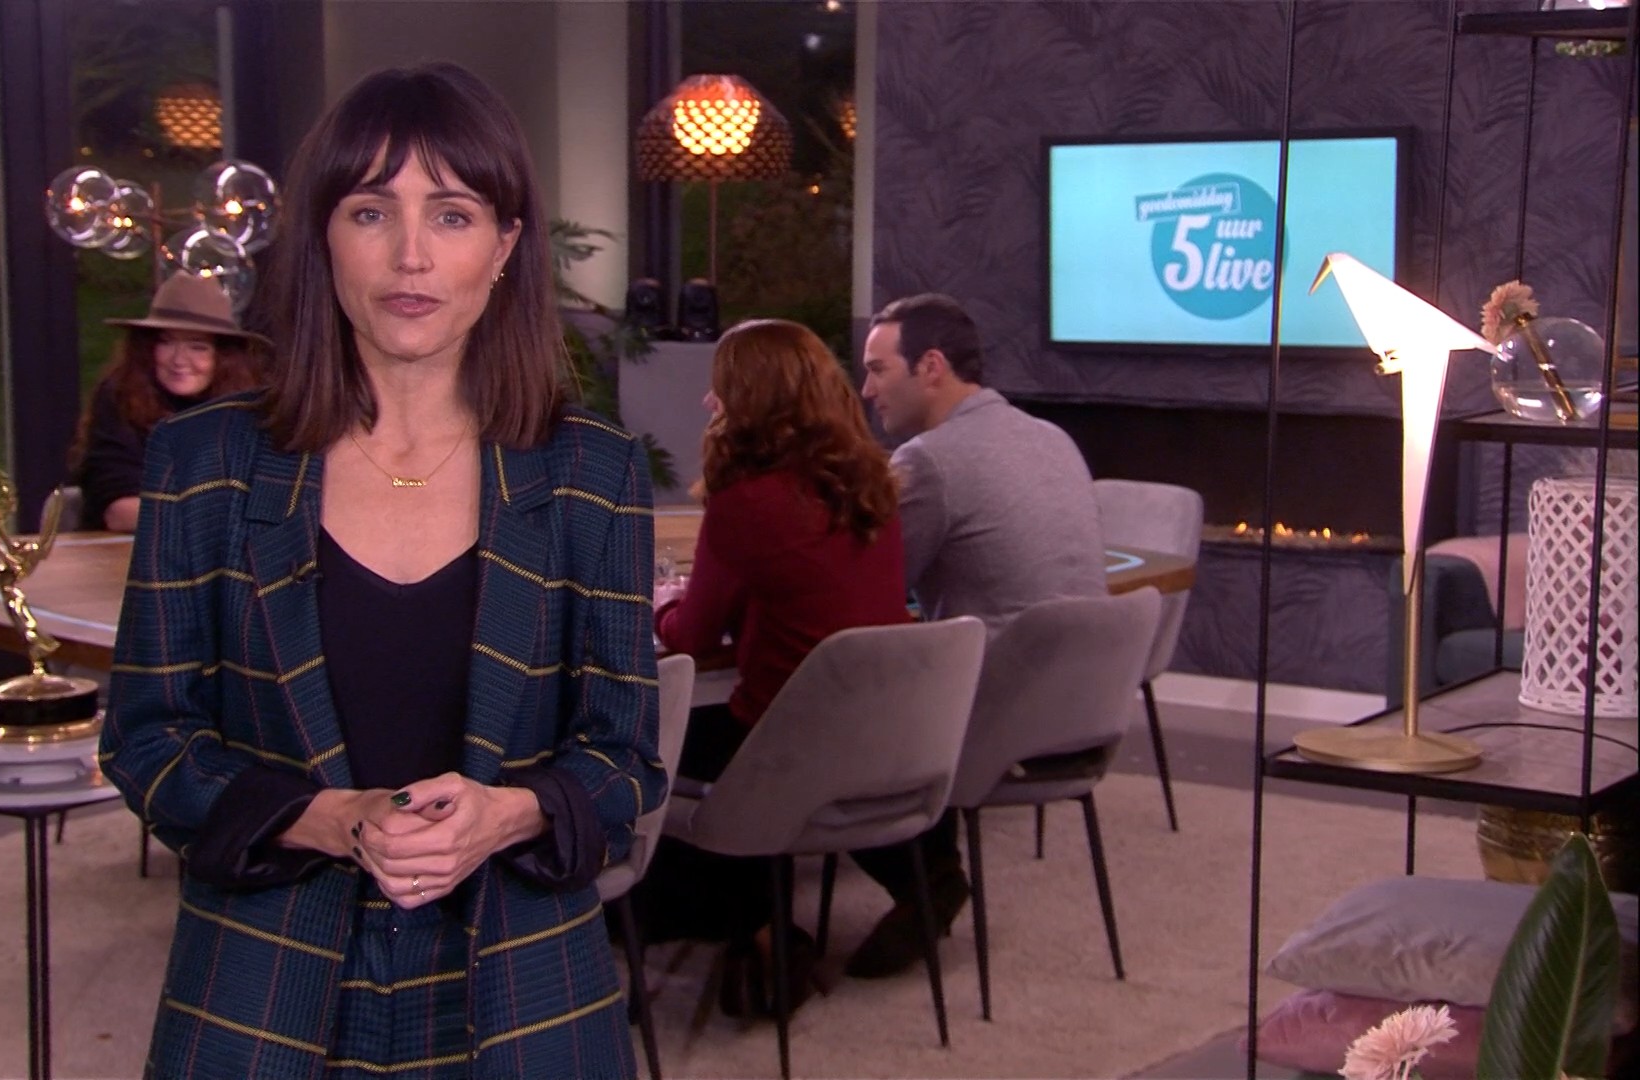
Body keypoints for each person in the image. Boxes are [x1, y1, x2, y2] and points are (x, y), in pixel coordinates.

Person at [98, 62, 665, 1080]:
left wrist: (509, 814)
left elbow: (623, 758)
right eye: (371, 212)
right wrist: (327, 820)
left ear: (505, 246)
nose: (411, 255)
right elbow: (147, 740)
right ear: (323, 236)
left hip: (527, 988)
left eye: (452, 215)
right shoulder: (203, 464)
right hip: (260, 987)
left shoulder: (593, 473)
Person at [644, 318, 911, 1016]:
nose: (709, 402)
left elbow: (690, 636)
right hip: (884, 739)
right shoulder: (873, 486)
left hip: (782, 747)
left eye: (722, 387)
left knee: (643, 744)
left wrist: (660, 609)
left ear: (752, 399)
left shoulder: (746, 503)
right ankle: (759, 923)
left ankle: (749, 924)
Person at [850, 291, 1106, 979]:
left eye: (878, 369)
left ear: (931, 366)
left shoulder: (929, 460)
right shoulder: (1052, 437)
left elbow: (867, 589)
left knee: (824, 711)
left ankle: (921, 883)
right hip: (1085, 714)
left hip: (994, 721)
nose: (867, 390)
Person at [68, 271, 266, 532]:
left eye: (197, 346)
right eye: (166, 342)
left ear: (224, 357)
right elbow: (120, 512)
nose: (179, 360)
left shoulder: (249, 408)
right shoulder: (119, 397)